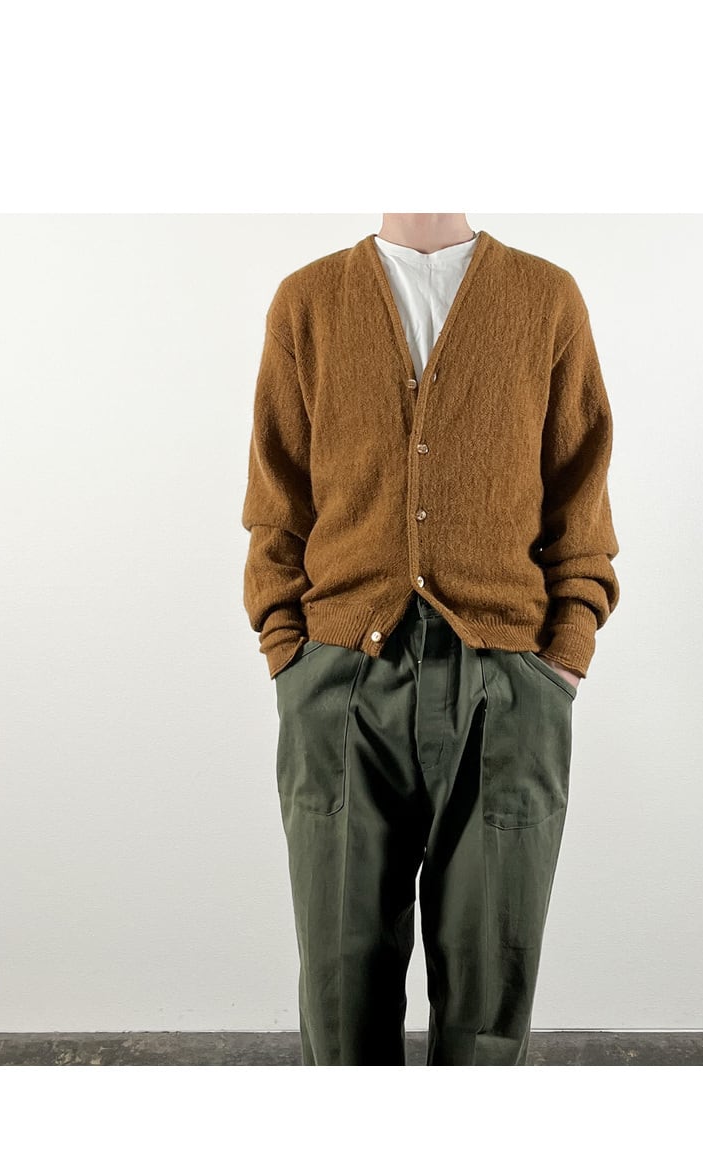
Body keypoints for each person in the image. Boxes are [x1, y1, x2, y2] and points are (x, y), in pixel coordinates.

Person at [241, 213, 620, 1065]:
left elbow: (581, 490)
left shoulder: (545, 298)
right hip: (339, 678)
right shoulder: (308, 301)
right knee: (342, 984)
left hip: (509, 684)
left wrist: (563, 656)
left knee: (489, 982)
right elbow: (277, 497)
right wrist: (288, 650)